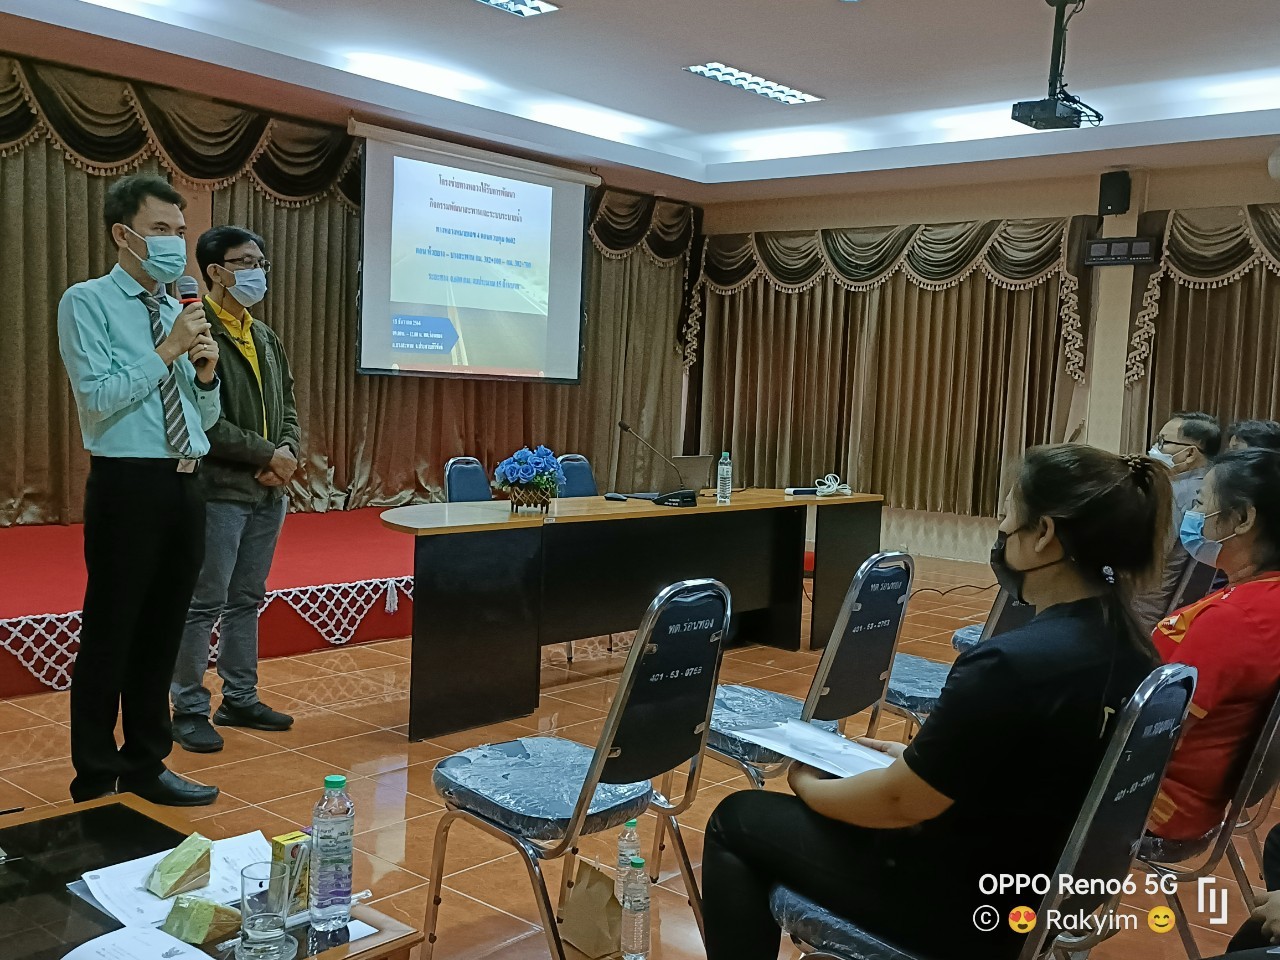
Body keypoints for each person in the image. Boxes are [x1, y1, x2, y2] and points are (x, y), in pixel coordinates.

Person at [702, 444, 1171, 960]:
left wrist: (807, 784)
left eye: (1008, 515)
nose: (1001, 530)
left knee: (736, 818)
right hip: (1050, 892)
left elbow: (899, 805)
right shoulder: (1139, 651)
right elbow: (1038, 768)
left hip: (967, 908)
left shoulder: (1008, 662)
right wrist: (918, 760)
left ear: (1044, 534)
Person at [57, 174, 221, 806]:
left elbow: (203, 421)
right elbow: (97, 400)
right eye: (160, 230)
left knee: (162, 632)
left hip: (185, 483)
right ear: (123, 235)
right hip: (128, 484)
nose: (175, 243)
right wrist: (167, 351)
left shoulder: (179, 309)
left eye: (180, 231)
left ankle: (147, 764)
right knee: (112, 631)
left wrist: (204, 377)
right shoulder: (88, 301)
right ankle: (97, 774)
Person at [170, 226, 300, 753]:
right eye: (246, 262)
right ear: (216, 272)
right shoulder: (196, 332)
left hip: (268, 492)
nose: (258, 272)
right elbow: (203, 419)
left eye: (261, 262)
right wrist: (267, 454)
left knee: (246, 598)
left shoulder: (263, 335)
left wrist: (287, 452)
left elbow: (288, 403)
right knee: (204, 602)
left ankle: (240, 698)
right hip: (219, 489)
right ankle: (188, 707)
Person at [1147, 448, 1280, 844]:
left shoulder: (1235, 619)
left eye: (1202, 503)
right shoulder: (1261, 596)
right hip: (1191, 793)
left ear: (1242, 519)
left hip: (1154, 800)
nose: (1194, 514)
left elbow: (1153, 734)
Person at [1132, 411, 1223, 632]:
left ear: (1190, 453)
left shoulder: (1174, 494)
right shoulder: (1210, 488)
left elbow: (1144, 555)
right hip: (1168, 608)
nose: (1154, 448)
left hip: (1142, 607)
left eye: (1163, 442)